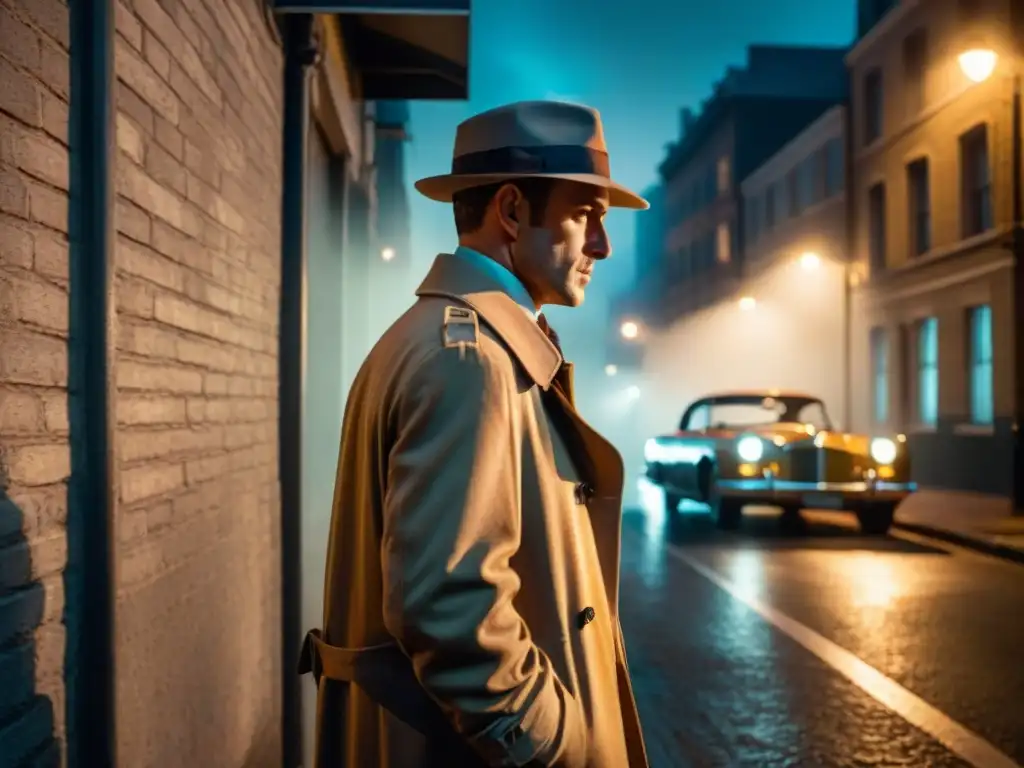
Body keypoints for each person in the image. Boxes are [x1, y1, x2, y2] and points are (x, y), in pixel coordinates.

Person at [298, 100, 650, 768]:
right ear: (512, 211)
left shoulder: (445, 338)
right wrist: (555, 742)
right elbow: (451, 605)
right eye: (585, 214)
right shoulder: (470, 360)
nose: (602, 244)